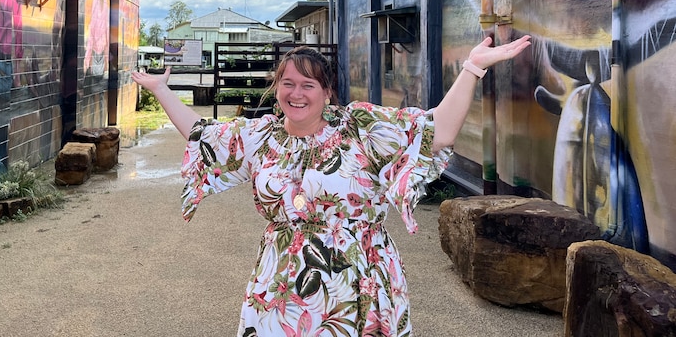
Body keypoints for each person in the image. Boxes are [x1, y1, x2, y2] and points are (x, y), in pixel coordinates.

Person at [132, 35, 531, 337]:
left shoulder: (359, 130)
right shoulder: (261, 137)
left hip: (356, 277)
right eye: (288, 83)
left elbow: (438, 131)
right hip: (282, 282)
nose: (297, 93)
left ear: (327, 93)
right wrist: (161, 90)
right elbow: (203, 135)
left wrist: (472, 68)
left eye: (308, 85)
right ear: (277, 88)